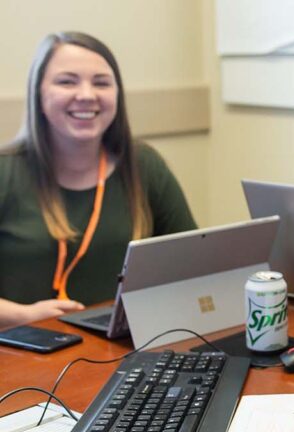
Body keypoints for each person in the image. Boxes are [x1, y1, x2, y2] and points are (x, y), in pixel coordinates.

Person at [0, 32, 196, 329]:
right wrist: (24, 316)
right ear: (38, 93)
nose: (87, 95)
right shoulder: (5, 171)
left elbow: (194, 266)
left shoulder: (144, 165)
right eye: (67, 81)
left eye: (101, 82)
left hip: (119, 355)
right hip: (20, 356)